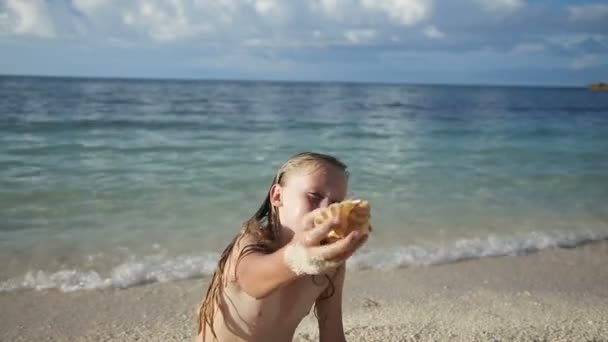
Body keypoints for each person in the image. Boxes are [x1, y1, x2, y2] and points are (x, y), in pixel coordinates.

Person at [195, 152, 370, 342]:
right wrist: (299, 257)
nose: (325, 209)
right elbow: (253, 281)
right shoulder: (250, 243)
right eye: (314, 196)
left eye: (336, 204)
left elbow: (332, 330)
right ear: (277, 196)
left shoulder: (328, 264)